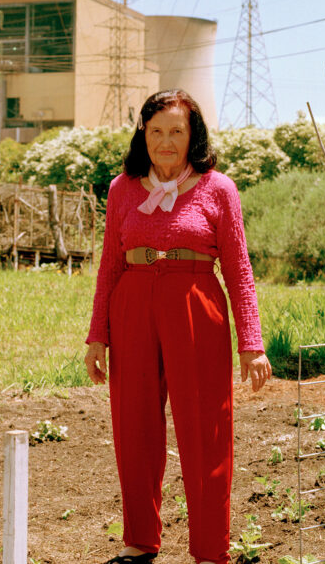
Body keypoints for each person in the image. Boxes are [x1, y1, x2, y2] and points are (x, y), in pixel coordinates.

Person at [84, 89, 271, 564]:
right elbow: (109, 266)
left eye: (177, 131)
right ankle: (139, 542)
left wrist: (252, 342)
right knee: (134, 426)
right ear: (142, 135)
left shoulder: (218, 189)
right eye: (156, 131)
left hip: (196, 303)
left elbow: (239, 269)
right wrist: (97, 335)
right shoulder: (121, 189)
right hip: (132, 305)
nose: (166, 141)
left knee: (205, 429)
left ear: (193, 136)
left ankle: (210, 551)